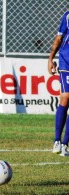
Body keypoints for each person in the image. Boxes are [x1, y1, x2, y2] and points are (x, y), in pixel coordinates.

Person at [48, 11, 69, 156]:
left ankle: (65, 144)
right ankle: (57, 140)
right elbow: (59, 38)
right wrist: (50, 59)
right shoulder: (68, 16)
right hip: (66, 62)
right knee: (65, 98)